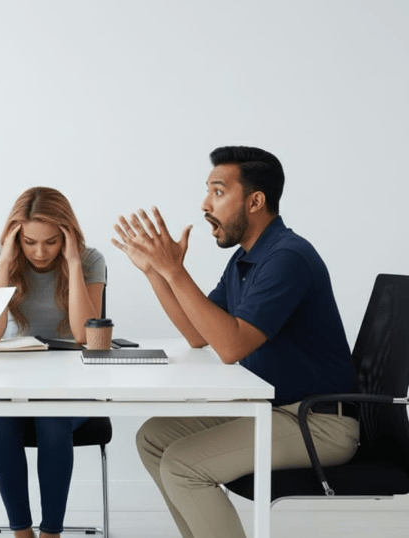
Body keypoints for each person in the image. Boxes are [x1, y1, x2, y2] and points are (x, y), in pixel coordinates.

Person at [112, 146, 359, 538]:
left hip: (317, 423)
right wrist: (157, 272)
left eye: (218, 191)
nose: (205, 204)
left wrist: (175, 271)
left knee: (182, 464)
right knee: (154, 438)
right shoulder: (248, 258)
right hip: (276, 409)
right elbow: (199, 334)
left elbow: (231, 347)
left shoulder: (287, 259)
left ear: (255, 201)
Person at [0, 186, 106, 538]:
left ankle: (51, 533)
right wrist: (5, 261)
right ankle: (21, 532)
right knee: (0, 419)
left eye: (51, 242)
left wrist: (73, 263)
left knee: (53, 419)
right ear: (15, 237)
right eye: (29, 242)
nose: (39, 252)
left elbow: (83, 335)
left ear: (66, 235)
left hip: (72, 382)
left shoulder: (90, 259)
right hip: (12, 382)